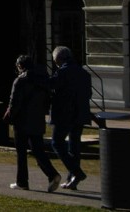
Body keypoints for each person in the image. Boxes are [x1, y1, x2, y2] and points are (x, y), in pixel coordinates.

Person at [4, 54, 62, 193]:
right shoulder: (43, 80)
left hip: (22, 121)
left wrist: (9, 116)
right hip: (37, 119)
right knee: (38, 150)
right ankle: (52, 174)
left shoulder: (20, 81)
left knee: (21, 153)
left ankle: (22, 181)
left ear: (20, 66)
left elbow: (14, 103)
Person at [49, 45, 92, 190]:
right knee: (74, 146)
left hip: (64, 114)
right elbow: (89, 94)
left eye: (55, 61)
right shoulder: (84, 73)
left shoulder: (62, 72)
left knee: (57, 143)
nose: (55, 63)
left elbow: (51, 86)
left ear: (59, 59)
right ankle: (72, 178)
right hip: (80, 114)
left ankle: (76, 172)